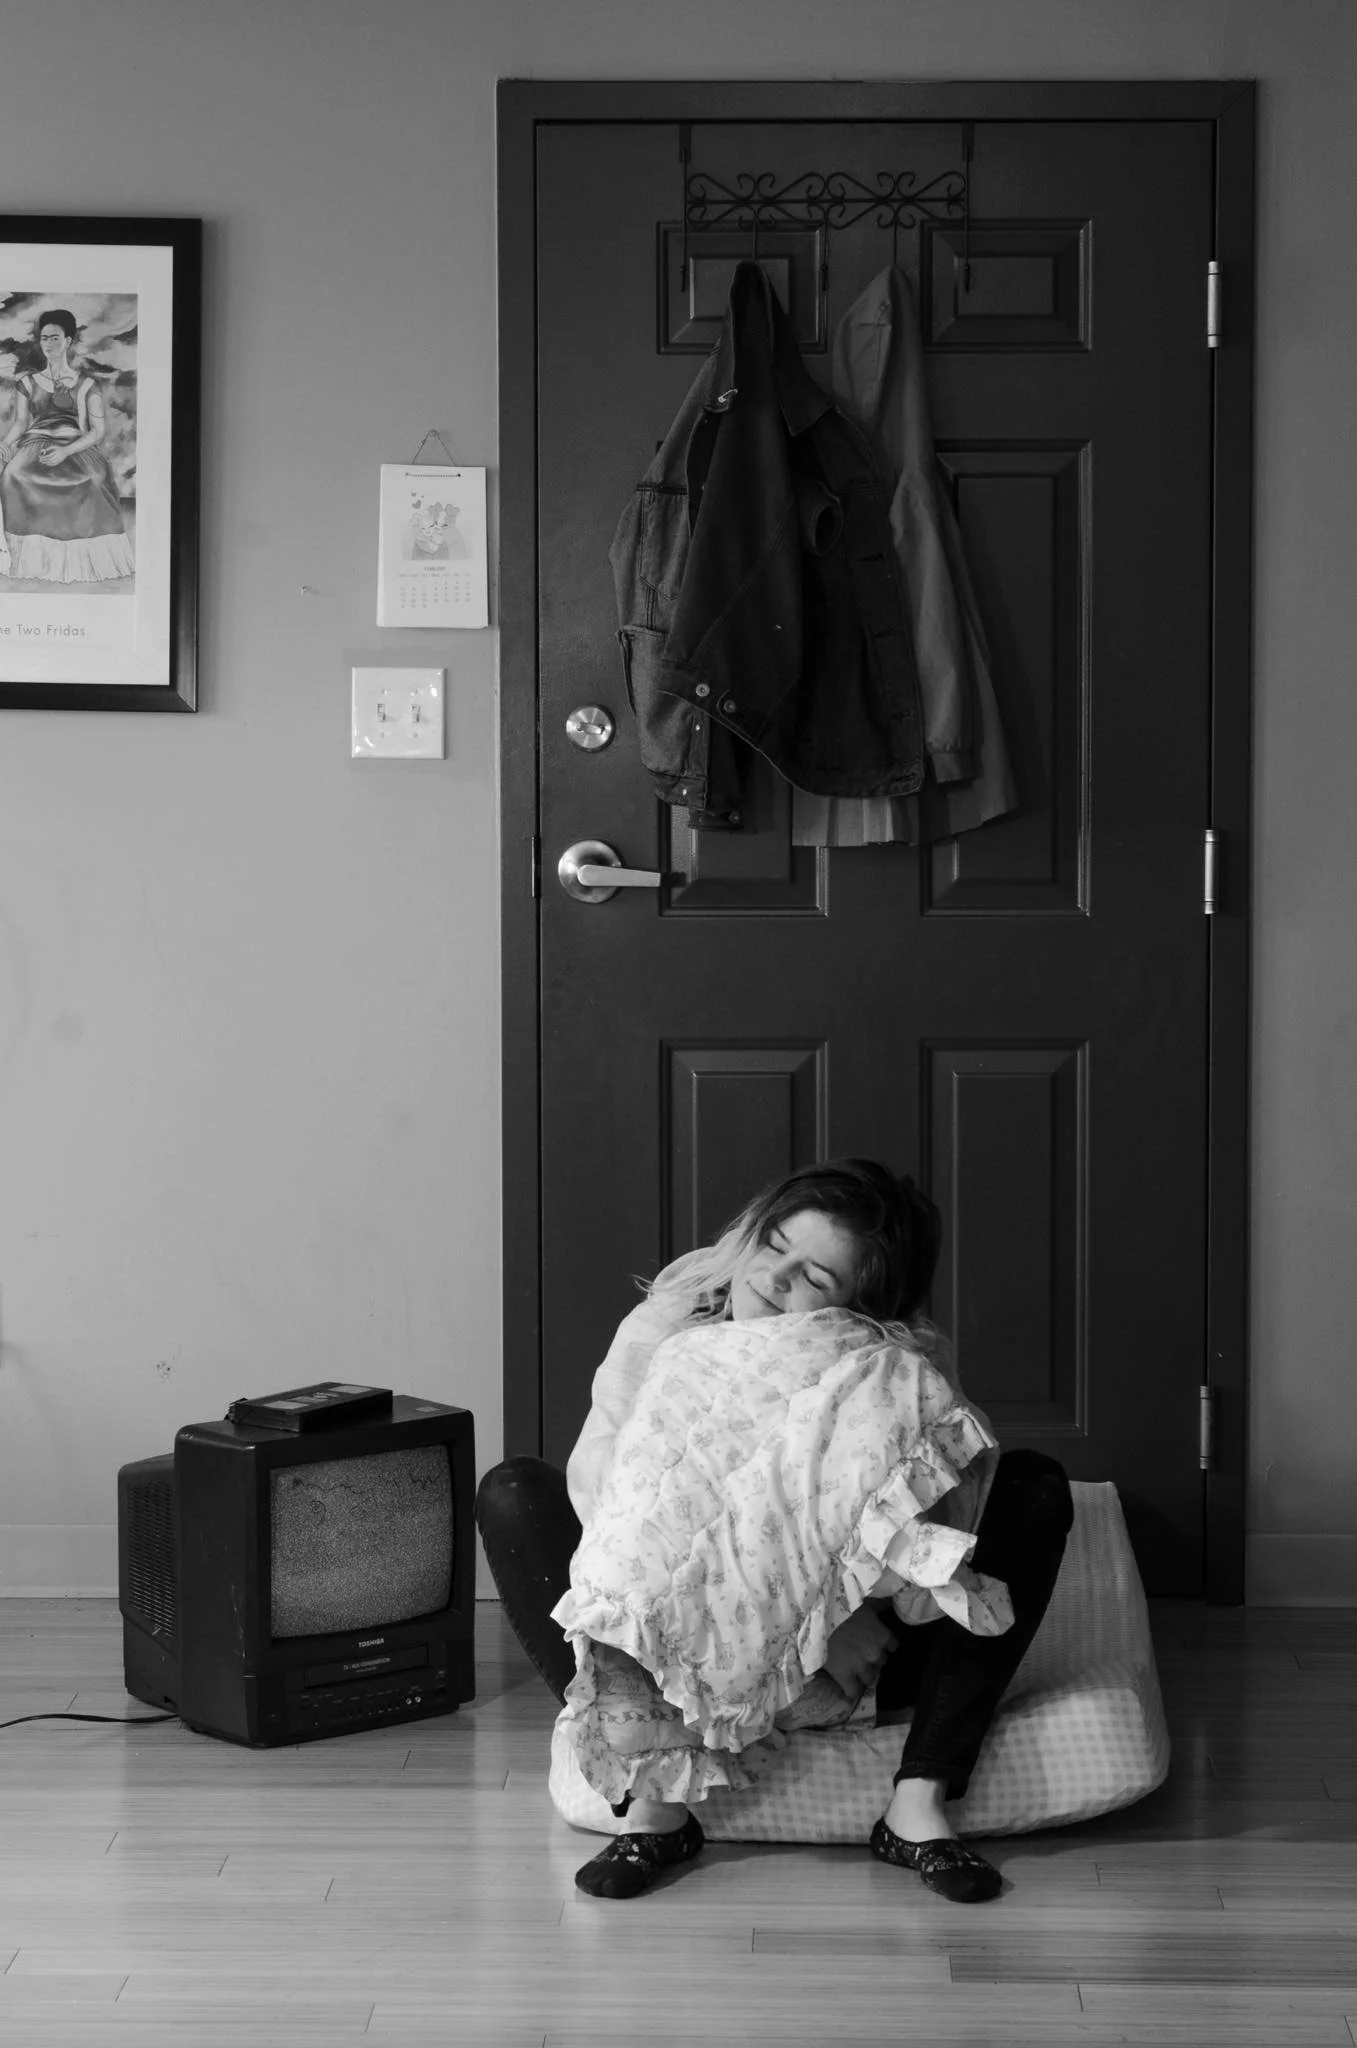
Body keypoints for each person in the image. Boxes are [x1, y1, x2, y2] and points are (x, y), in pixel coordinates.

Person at [477, 1158, 1072, 1905]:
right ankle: (658, 1805)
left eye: (816, 1279)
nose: (775, 1277)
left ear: (860, 1304)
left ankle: (917, 1806)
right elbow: (608, 1494)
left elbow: (938, 1519)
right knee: (513, 1492)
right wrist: (764, 1610)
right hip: (672, 1643)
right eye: (775, 1244)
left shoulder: (894, 1361)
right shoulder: (675, 1316)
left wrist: (838, 1611)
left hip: (855, 1663)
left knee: (1034, 1486)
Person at [0, 309, 135, 585]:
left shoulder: (86, 384)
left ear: (68, 341)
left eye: (55, 338)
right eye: (44, 338)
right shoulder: (27, 382)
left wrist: (65, 451)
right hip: (34, 444)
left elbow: (97, 431)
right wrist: (4, 444)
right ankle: (28, 561)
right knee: (13, 475)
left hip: (74, 446)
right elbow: (20, 422)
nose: (48, 344)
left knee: (93, 480)